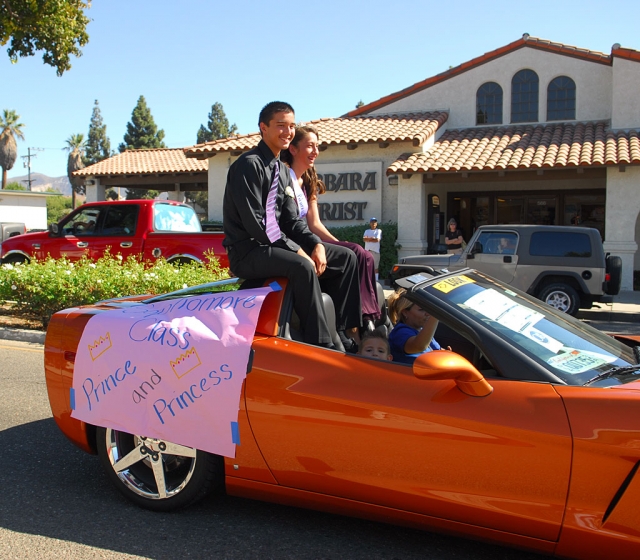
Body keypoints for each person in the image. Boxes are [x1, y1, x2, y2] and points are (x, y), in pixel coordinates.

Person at [222, 101, 362, 350]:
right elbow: (259, 225)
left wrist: (315, 244)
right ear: (263, 128)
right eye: (280, 126)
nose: (288, 132)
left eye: (291, 126)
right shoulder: (248, 165)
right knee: (302, 266)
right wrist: (298, 251)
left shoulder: (281, 170)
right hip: (249, 251)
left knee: (346, 258)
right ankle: (321, 343)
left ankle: (341, 330)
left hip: (274, 245)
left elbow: (290, 220)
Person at [281, 125, 381, 332]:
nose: (316, 151)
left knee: (365, 255)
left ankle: (370, 314)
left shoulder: (307, 181)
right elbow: (290, 224)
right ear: (293, 149)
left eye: (317, 146)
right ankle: (354, 324)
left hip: (309, 237)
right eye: (310, 146)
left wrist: (336, 243)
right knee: (352, 255)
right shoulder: (283, 177)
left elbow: (314, 224)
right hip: (294, 241)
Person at [387, 289, 443, 364]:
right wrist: (435, 315)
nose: (428, 313)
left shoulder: (420, 329)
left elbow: (438, 350)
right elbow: (419, 346)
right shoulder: (400, 333)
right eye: (421, 310)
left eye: (428, 309)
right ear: (405, 313)